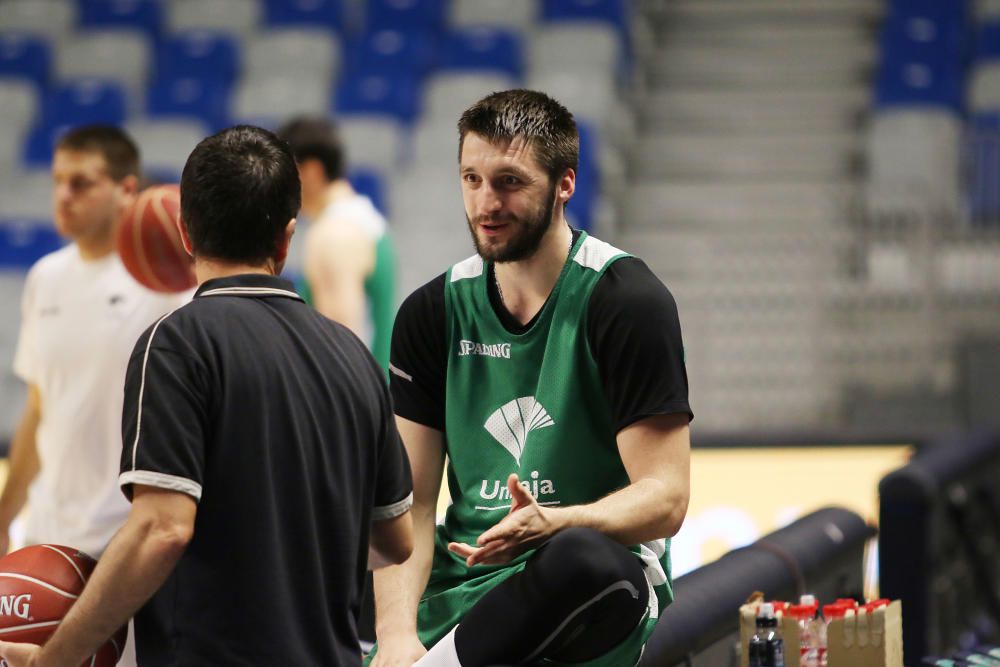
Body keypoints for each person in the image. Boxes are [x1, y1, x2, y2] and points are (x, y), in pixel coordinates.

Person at [0, 125, 415, 667]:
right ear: (288, 238)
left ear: (186, 233)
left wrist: (54, 661)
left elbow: (163, 528)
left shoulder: (175, 343)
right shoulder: (353, 357)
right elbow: (395, 541)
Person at [368, 89, 693, 667]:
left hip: (589, 578)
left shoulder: (625, 300)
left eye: (509, 182)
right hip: (470, 570)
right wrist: (395, 638)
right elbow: (411, 505)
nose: (485, 202)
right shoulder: (432, 312)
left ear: (565, 184)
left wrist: (556, 522)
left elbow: (665, 498)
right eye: (471, 179)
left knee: (584, 563)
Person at [0, 125, 186, 560]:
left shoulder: (168, 286)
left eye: (81, 183)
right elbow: (39, 406)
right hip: (45, 534)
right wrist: (6, 514)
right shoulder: (45, 277)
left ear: (126, 190)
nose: (64, 195)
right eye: (58, 182)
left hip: (128, 542)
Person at [278, 116, 397, 371]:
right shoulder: (367, 219)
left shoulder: (332, 235)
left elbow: (342, 352)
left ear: (310, 172)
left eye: (283, 173)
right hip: (374, 395)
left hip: (354, 404)